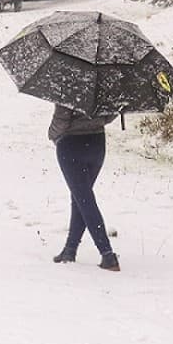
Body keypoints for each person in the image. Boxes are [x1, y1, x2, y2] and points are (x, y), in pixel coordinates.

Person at [48, 104, 120, 271]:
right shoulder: (105, 83)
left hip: (72, 145)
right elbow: (110, 114)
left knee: (84, 199)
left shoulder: (70, 85)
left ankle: (107, 254)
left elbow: (61, 119)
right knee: (81, 198)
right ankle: (70, 250)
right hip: (97, 144)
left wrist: (51, 134)